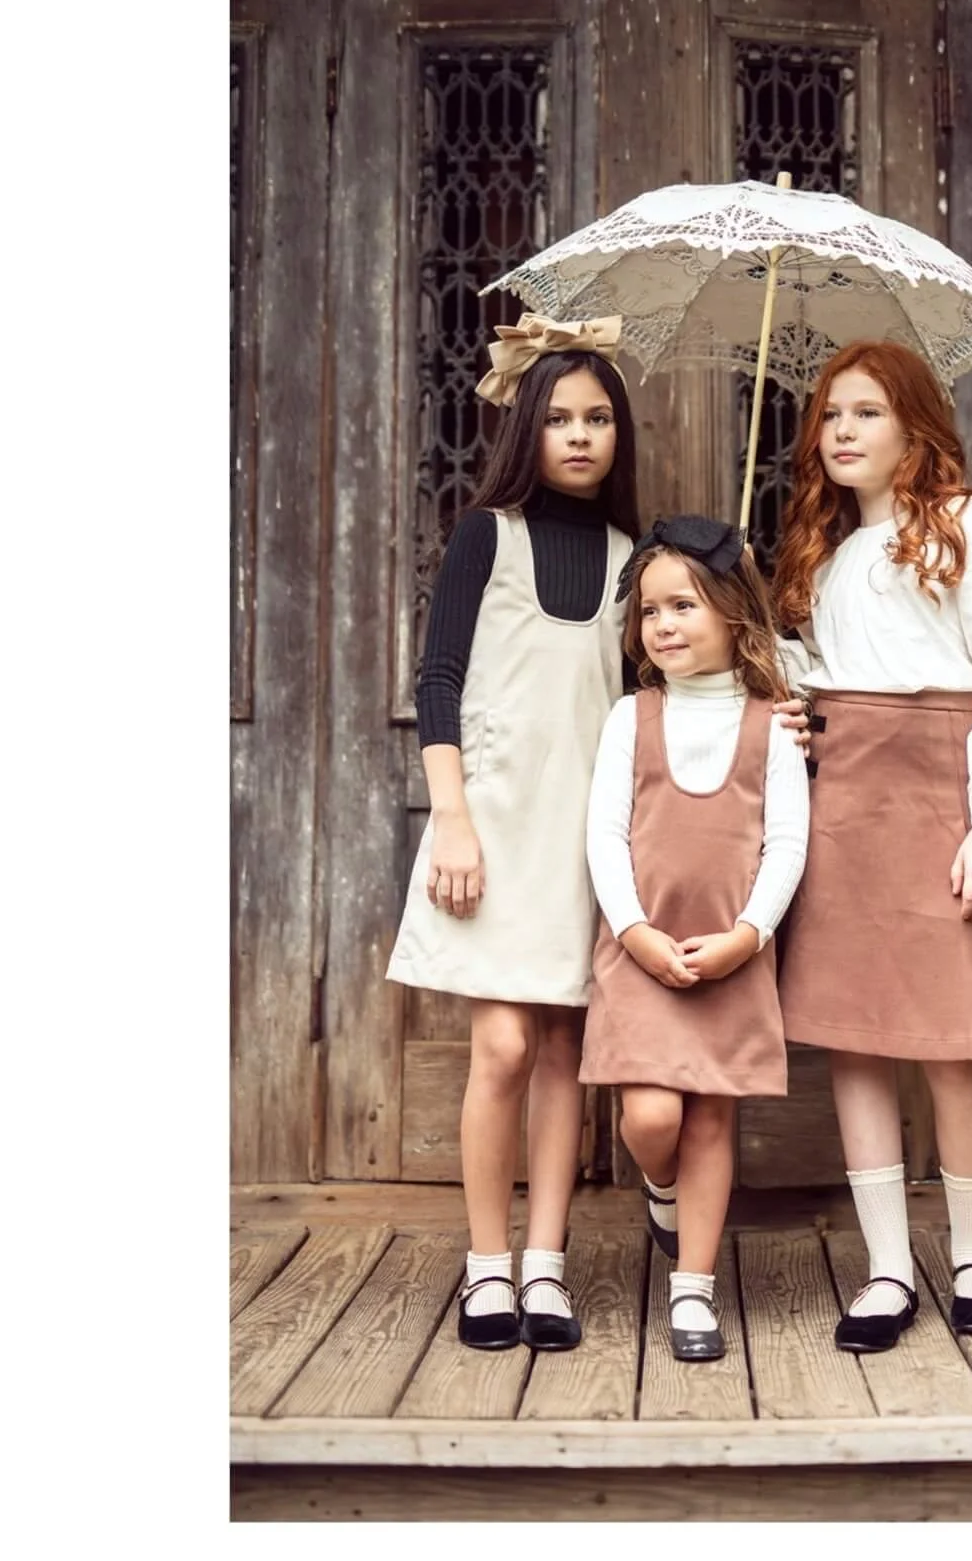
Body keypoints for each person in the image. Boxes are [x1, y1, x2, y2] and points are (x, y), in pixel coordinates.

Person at [770, 340, 972, 1353]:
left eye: (866, 414)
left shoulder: (967, 527)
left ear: (913, 429)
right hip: (846, 806)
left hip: (942, 801)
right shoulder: (828, 553)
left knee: (951, 1040)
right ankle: (888, 1269)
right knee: (857, 1040)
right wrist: (790, 689)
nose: (840, 430)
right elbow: (828, 675)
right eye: (830, 415)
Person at [386, 314, 639, 1353]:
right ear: (526, 428)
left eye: (599, 419)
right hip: (489, 825)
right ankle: (486, 1265)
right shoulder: (487, 534)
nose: (580, 436)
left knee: (565, 1053)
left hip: (585, 837)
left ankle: (547, 1265)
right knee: (500, 1043)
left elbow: (649, 704)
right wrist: (450, 819)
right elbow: (438, 679)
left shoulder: (634, 556)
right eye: (561, 418)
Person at [580, 516, 810, 1361]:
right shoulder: (629, 718)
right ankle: (660, 1185)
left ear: (732, 613)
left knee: (712, 1120)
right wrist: (633, 931)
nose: (664, 625)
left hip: (728, 954)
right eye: (650, 612)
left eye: (683, 605)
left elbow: (786, 842)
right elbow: (604, 835)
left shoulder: (770, 725)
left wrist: (748, 937)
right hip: (641, 951)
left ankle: (692, 1291)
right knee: (652, 1118)